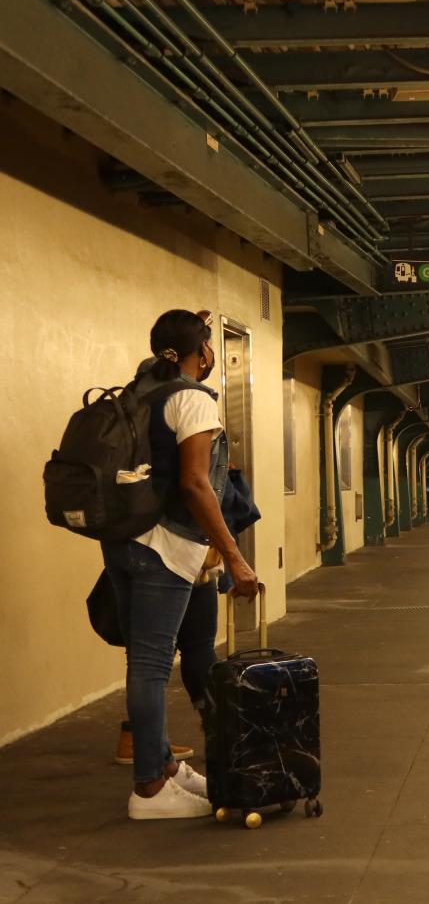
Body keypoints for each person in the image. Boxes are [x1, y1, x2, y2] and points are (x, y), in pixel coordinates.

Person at [102, 309, 259, 820]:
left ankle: (166, 766)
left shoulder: (140, 391)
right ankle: (148, 788)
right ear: (201, 352)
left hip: (124, 541)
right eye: (208, 345)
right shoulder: (191, 400)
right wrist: (235, 557)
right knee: (149, 667)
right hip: (165, 548)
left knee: (169, 656)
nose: (212, 354)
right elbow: (194, 483)